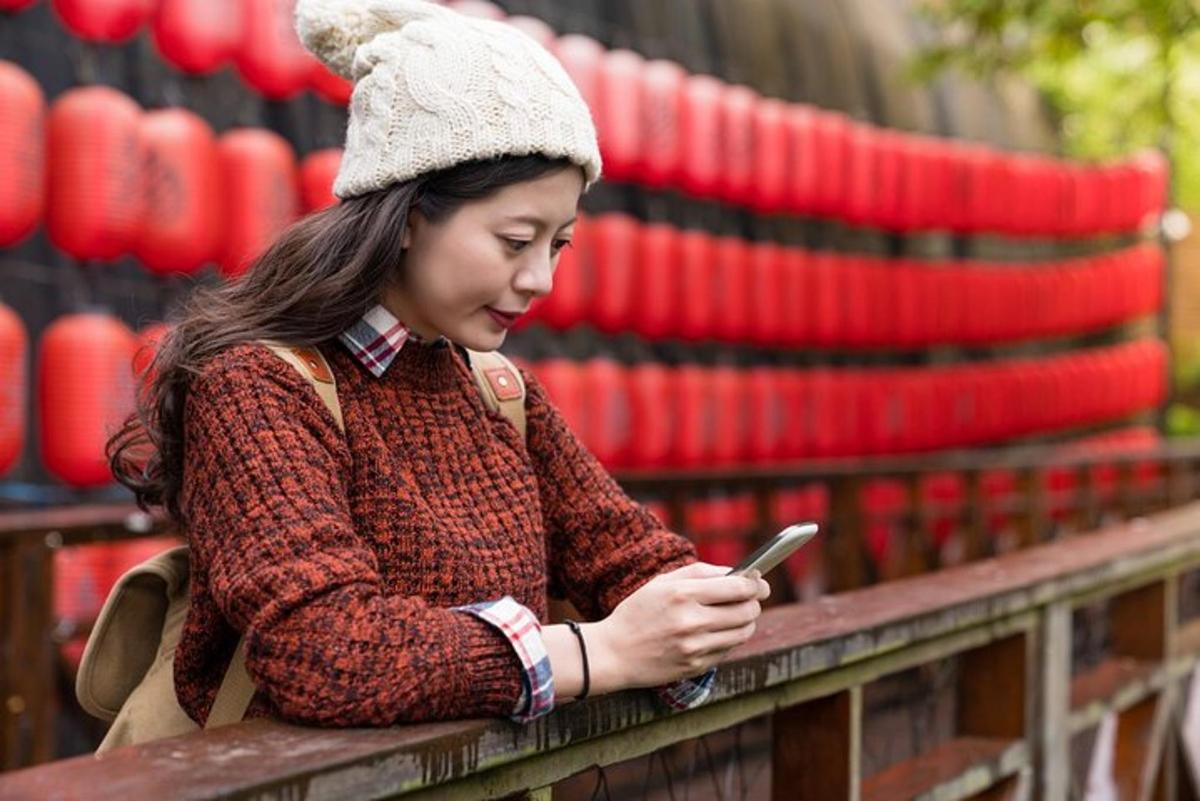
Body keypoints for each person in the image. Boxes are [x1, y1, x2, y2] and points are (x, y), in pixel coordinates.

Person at [107, 0, 769, 727]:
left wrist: (693, 607)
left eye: (559, 244)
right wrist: (598, 653)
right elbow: (324, 653)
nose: (541, 278)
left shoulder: (498, 391)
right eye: (516, 241)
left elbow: (623, 553)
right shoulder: (254, 386)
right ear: (409, 218)